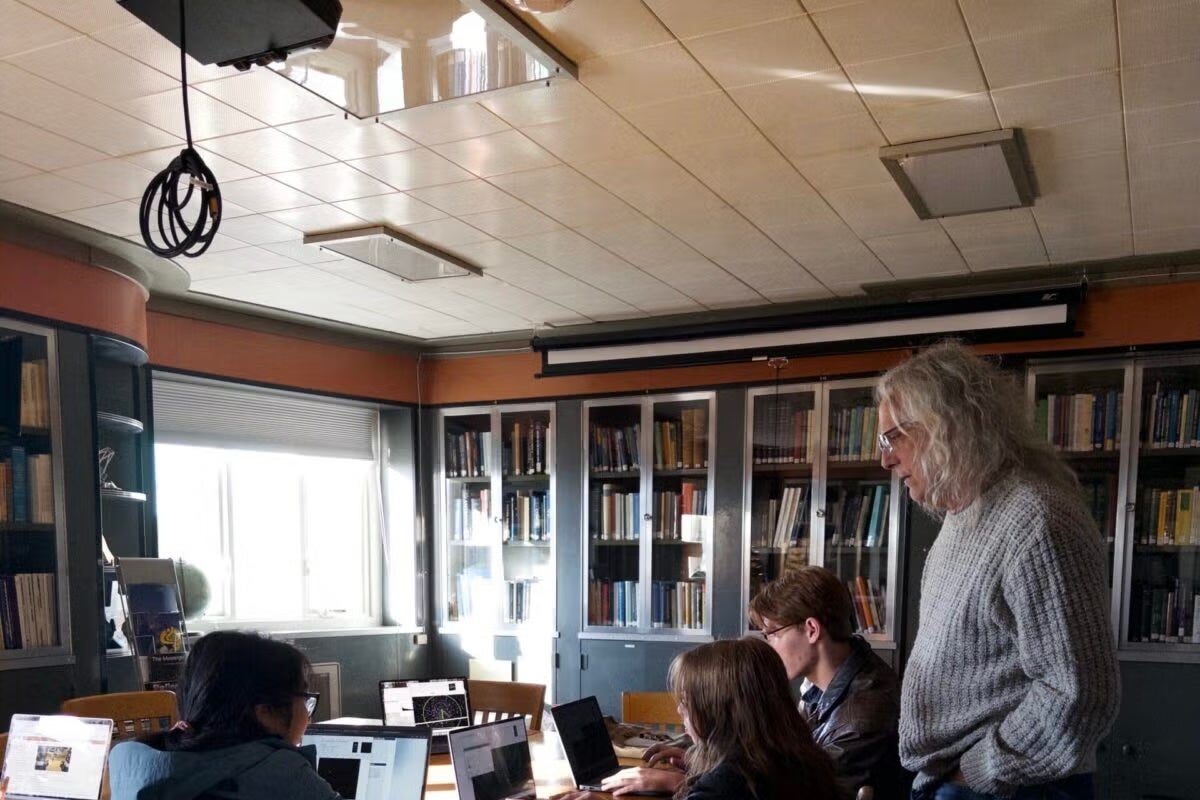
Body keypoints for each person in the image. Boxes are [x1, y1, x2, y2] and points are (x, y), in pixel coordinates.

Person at [876, 341, 1119, 800]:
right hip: (960, 780)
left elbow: (1080, 694)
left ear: (944, 425)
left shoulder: (1037, 519)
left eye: (894, 437)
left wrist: (976, 771)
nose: (885, 459)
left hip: (1011, 786)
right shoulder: (964, 516)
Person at [554, 637, 839, 800]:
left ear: (718, 710)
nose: (680, 711)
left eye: (687, 703)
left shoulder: (726, 785)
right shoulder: (798, 759)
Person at [108, 630, 341, 800]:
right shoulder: (282, 772)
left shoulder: (131, 764)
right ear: (266, 712)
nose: (309, 716)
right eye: (305, 699)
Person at [749, 566, 906, 800]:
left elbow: (800, 790)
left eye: (772, 634)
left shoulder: (863, 714)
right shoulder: (819, 685)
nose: (769, 646)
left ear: (812, 630)